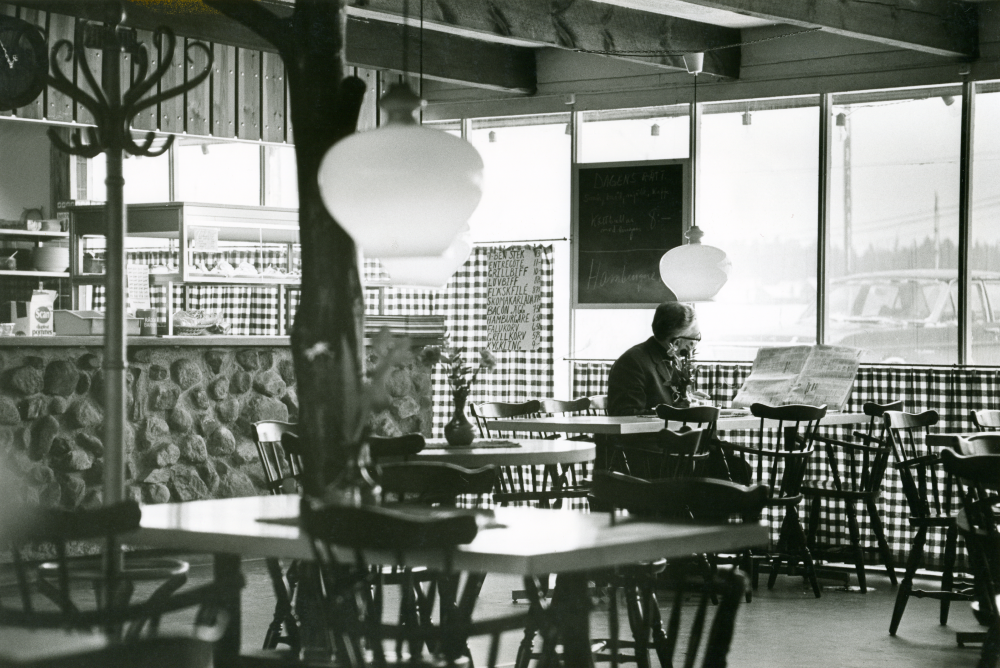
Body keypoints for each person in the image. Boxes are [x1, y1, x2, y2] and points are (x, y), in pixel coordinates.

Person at [607, 301, 700, 417]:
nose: (695, 344)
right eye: (696, 338)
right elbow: (624, 414)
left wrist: (688, 399)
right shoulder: (631, 363)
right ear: (676, 343)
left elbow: (668, 403)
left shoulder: (671, 359)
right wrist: (677, 413)